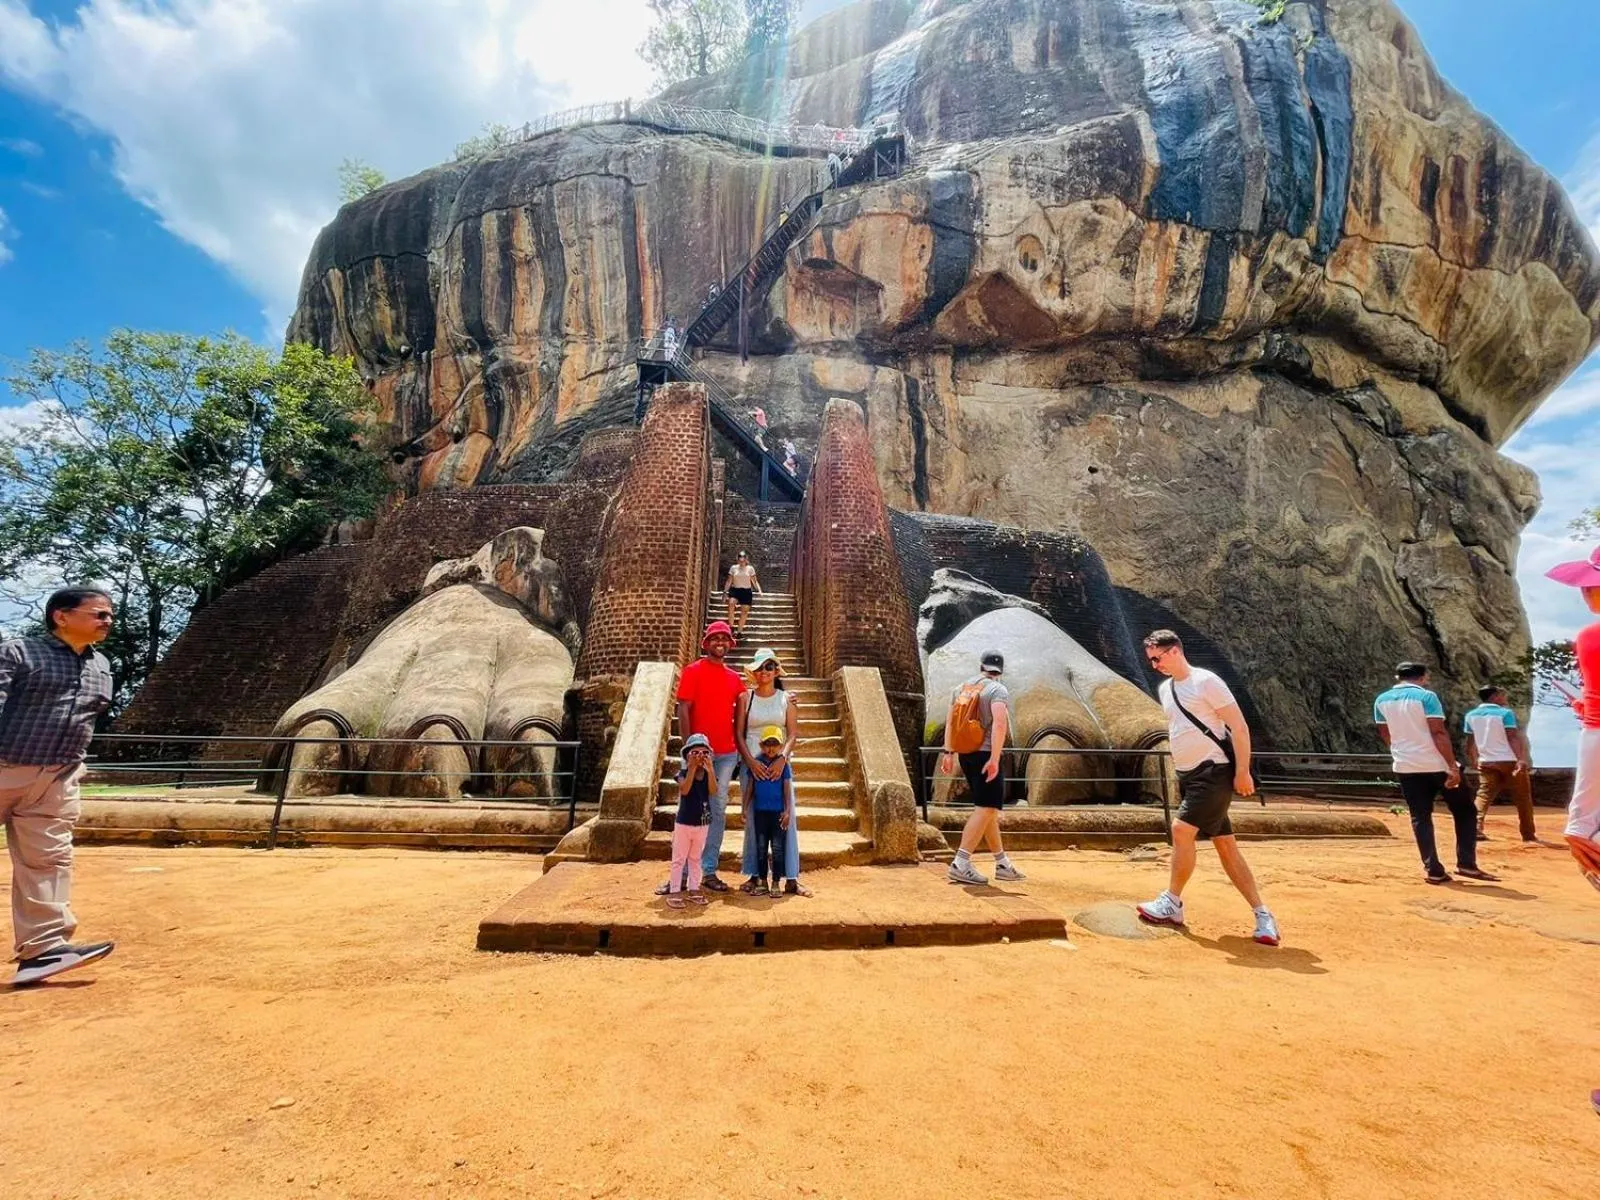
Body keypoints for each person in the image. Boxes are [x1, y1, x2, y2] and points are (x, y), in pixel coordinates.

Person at [2, 587, 118, 986]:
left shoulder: (100, 664)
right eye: (98, 614)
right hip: (5, 766)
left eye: (109, 615)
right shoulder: (19, 652)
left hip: (56, 776)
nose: (107, 621)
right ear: (61, 616)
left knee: (48, 861)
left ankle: (43, 949)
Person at [1135, 630, 1280, 945]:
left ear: (1174, 651)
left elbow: (1238, 726)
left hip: (1213, 771)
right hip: (1188, 775)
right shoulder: (1165, 689)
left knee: (1181, 830)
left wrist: (1242, 771)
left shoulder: (1206, 682)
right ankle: (1263, 915)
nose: (1154, 665)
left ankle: (1172, 902)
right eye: (1150, 661)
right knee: (1226, 846)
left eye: (1157, 658)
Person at [1373, 662, 1498, 885]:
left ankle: (1433, 869)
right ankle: (1466, 864)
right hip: (1435, 763)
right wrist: (1451, 766)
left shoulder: (1381, 700)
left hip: (1406, 765)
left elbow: (1385, 733)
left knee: (1420, 816)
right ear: (1423, 677)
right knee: (1465, 811)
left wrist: (1402, 751)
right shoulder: (1427, 698)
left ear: (1398, 677)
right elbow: (1438, 732)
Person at [656, 621, 744, 896]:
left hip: (726, 753)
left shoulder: (735, 679)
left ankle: (707, 870)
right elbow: (684, 710)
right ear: (706, 643)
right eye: (715, 638)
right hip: (697, 752)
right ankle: (680, 874)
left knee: (716, 810)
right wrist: (688, 749)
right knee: (688, 811)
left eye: (724, 638)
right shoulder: (692, 671)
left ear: (730, 644)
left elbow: (741, 715)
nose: (720, 642)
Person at [940, 650, 1025, 886]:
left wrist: (948, 753)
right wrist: (995, 759)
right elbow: (999, 723)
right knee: (986, 808)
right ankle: (961, 862)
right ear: (1000, 670)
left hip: (966, 754)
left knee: (987, 810)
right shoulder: (998, 690)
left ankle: (1002, 863)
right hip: (986, 754)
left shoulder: (962, 688)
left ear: (981, 666)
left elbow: (950, 721)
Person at [1545, 543, 1600, 892]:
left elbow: (1594, 698)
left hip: (1597, 731)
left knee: (1580, 827)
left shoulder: (1589, 636)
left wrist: (1580, 705)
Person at [736, 648, 807, 896]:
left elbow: (793, 733)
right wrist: (751, 763)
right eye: (760, 667)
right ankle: (755, 875)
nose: (764, 672)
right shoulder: (746, 698)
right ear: (754, 672)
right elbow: (739, 734)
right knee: (754, 823)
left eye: (769, 667)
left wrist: (782, 759)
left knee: (786, 819)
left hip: (779, 767)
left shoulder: (786, 699)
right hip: (752, 766)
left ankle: (790, 877)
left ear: (776, 671)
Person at [1463, 685, 1536, 842]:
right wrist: (1521, 759)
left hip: (1486, 761)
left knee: (1483, 795)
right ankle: (1528, 834)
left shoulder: (1471, 715)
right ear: (1494, 696)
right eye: (1502, 694)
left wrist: (1474, 759)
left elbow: (1470, 742)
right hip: (1508, 760)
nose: (1504, 697)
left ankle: (1475, 827)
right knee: (1522, 797)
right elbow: (1512, 737)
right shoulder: (1505, 714)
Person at [665, 734, 715, 909]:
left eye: (704, 753)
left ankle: (694, 888)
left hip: (702, 824)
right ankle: (675, 890)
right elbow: (685, 790)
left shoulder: (708, 773)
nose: (700, 756)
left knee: (695, 858)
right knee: (679, 859)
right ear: (687, 756)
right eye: (695, 752)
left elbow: (713, 790)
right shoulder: (682, 773)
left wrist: (710, 770)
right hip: (684, 823)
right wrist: (692, 769)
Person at [744, 726, 794, 896]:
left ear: (780, 746)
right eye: (767, 744)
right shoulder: (757, 763)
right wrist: (744, 808)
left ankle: (776, 883)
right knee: (761, 847)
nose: (770, 748)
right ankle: (762, 881)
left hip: (777, 813)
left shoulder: (783, 766)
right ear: (761, 745)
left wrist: (787, 811)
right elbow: (750, 787)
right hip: (760, 813)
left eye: (774, 744)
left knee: (778, 848)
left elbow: (787, 789)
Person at [725, 551, 761, 640]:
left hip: (746, 591)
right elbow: (729, 581)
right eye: (740, 556)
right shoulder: (733, 568)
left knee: (744, 611)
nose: (741, 558)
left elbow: (754, 581)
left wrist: (759, 590)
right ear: (737, 558)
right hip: (735, 590)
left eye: (743, 557)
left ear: (746, 559)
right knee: (731, 603)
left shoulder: (750, 568)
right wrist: (725, 592)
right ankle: (731, 627)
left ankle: (739, 632)